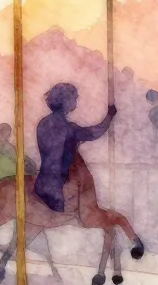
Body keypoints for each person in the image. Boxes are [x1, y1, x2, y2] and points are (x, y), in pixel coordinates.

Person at [35, 83, 116, 213]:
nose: (76, 101)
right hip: (58, 187)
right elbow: (94, 133)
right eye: (74, 98)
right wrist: (110, 116)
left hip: (42, 182)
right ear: (66, 101)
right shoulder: (69, 128)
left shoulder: (42, 123)